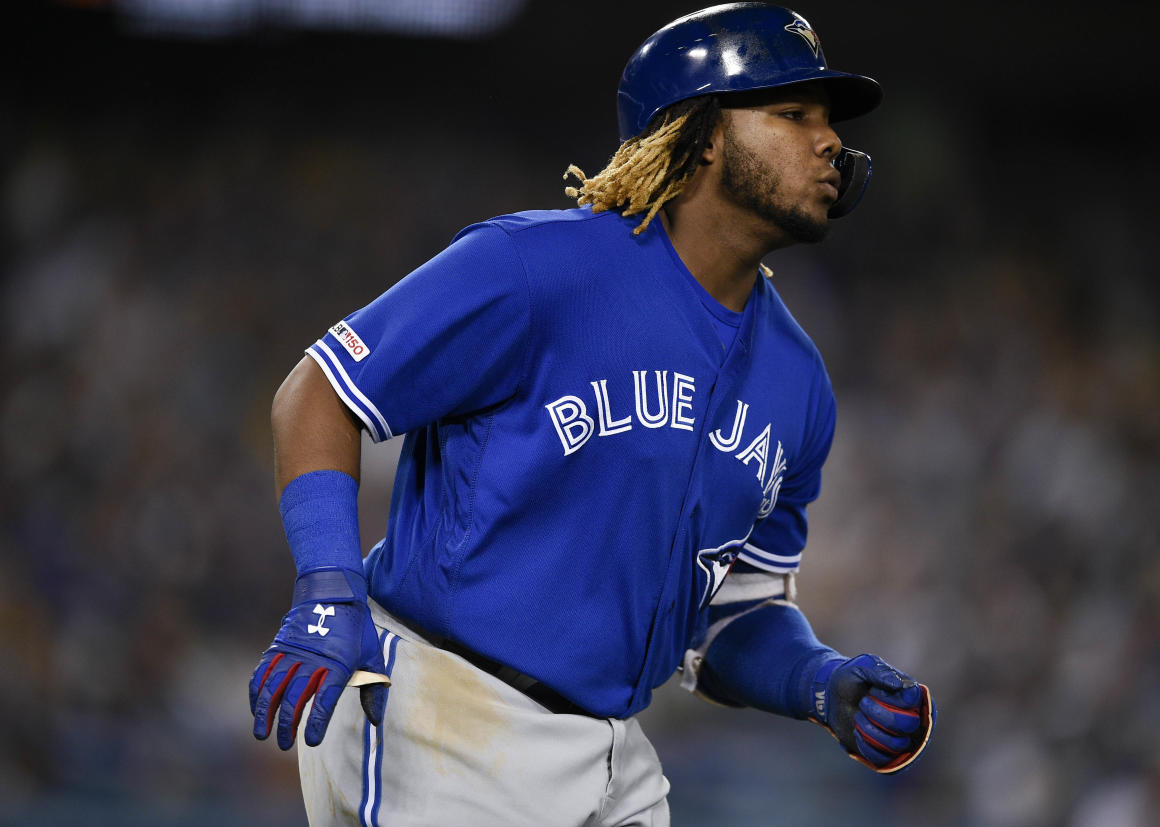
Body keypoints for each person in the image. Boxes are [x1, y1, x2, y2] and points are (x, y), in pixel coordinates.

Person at [249, 3, 935, 824]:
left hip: (612, 752)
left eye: (829, 123)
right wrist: (329, 584)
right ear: (702, 133)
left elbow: (732, 617)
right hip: (444, 716)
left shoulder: (798, 383)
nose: (829, 141)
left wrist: (819, 682)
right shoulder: (535, 269)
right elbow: (319, 392)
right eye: (792, 114)